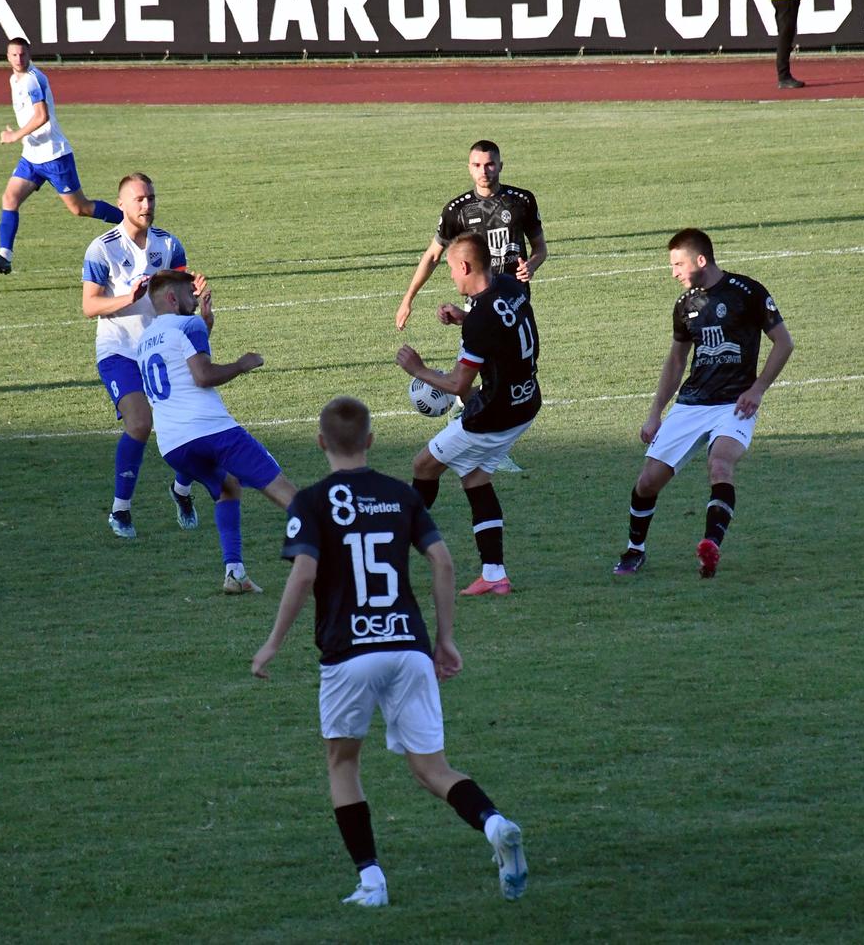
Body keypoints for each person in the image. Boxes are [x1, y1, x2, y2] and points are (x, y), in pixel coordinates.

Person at [251, 396, 529, 907]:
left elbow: (305, 572)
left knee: (343, 764)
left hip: (348, 651)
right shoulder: (401, 495)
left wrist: (272, 643)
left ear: (319, 443)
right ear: (372, 442)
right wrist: (444, 638)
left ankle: (372, 882)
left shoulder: (311, 502)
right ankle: (494, 824)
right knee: (432, 769)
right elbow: (443, 562)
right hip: (407, 646)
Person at [612, 228, 794, 578]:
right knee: (647, 482)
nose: (674, 272)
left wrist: (757, 390)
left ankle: (710, 546)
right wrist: (655, 413)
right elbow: (677, 361)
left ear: (701, 259)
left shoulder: (748, 292)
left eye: (678, 264)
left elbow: (783, 343)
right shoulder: (685, 305)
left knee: (720, 464)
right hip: (692, 404)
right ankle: (635, 550)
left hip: (734, 406)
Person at [136, 270, 298, 594]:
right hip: (212, 430)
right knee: (286, 492)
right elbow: (202, 375)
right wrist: (242, 364)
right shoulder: (188, 325)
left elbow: (181, 362)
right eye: (189, 294)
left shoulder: (145, 340)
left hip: (173, 445)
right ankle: (340, 559)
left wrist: (206, 325)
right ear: (171, 298)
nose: (195, 299)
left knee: (228, 487)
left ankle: (235, 573)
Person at [396, 234, 539, 597]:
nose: (451, 279)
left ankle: (392, 554)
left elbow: (459, 385)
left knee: (423, 466)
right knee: (475, 478)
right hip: (526, 402)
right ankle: (494, 575)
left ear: (463, 266)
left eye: (450, 270)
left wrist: (418, 369)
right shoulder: (509, 285)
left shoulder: (481, 320)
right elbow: (501, 324)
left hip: (494, 413)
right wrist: (465, 316)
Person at [82, 173, 203, 541]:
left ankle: (181, 490)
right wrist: (129, 299)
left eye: (151, 197)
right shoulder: (102, 249)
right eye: (139, 199)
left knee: (195, 422)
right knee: (139, 424)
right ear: (121, 204)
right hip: (119, 350)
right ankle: (121, 509)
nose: (147, 205)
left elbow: (181, 302)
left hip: (161, 348)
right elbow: (89, 306)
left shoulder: (168, 245)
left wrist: (194, 296)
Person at [0, 39, 122, 276]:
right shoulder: (14, 79)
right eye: (14, 55)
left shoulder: (33, 79)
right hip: (32, 156)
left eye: (22, 54)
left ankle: (131, 221)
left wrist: (15, 135)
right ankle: (5, 256)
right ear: (7, 57)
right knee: (10, 198)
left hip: (54, 156)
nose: (18, 59)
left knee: (80, 208)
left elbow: (41, 116)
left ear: (29, 54)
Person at [395, 140, 546, 331]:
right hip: (477, 302)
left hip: (515, 299)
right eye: (477, 165)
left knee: (512, 358)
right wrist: (408, 299)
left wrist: (531, 265)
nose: (483, 171)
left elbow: (540, 248)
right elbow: (433, 256)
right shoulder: (457, 210)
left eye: (489, 164)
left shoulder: (521, 201)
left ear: (500, 166)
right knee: (478, 356)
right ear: (469, 168)